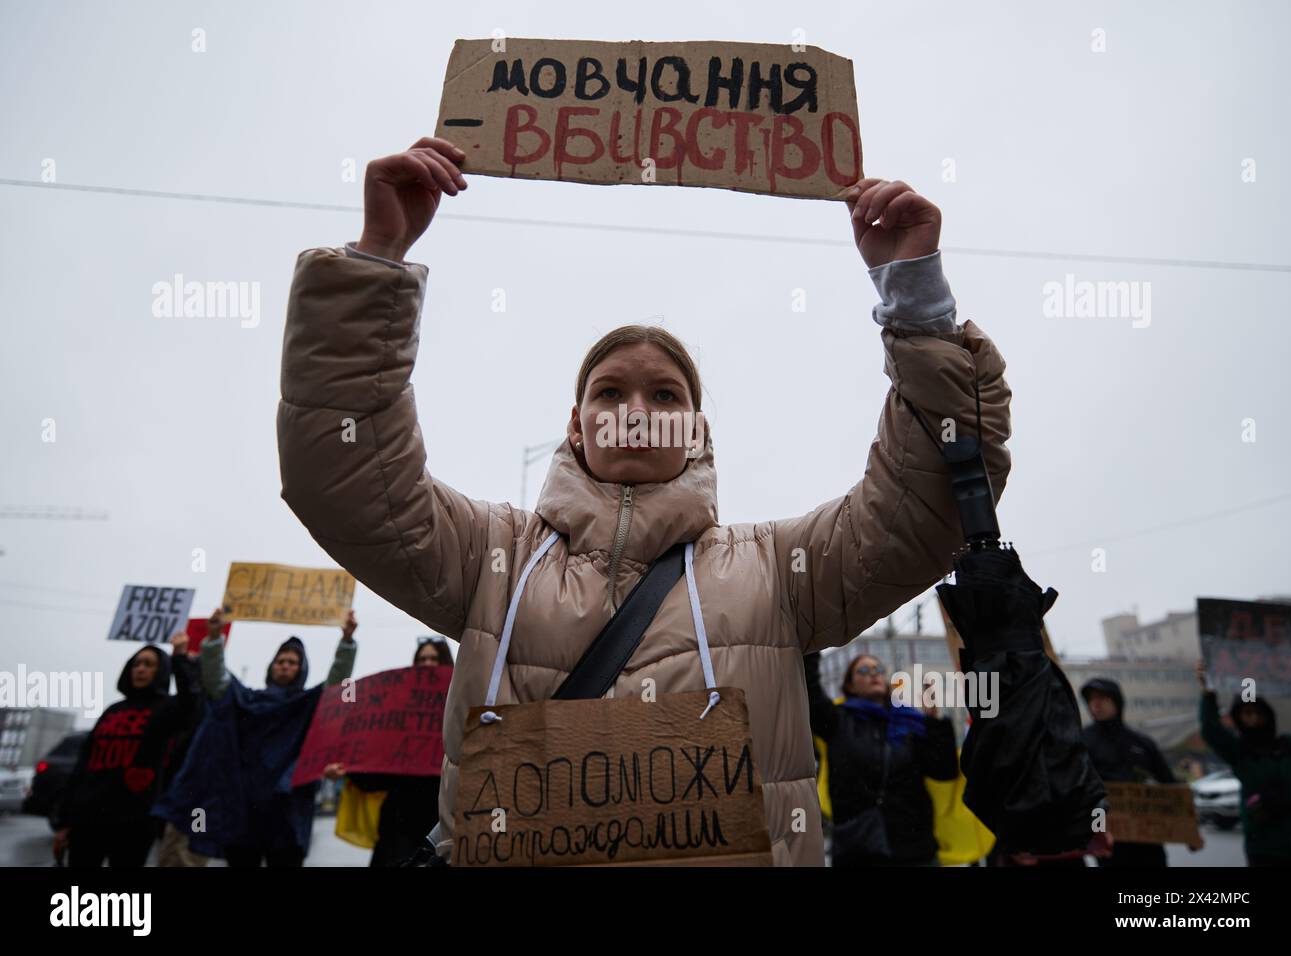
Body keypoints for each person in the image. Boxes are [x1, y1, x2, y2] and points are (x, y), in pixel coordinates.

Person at [276, 135, 1013, 866]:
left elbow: (927, 504)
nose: (635, 408)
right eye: (609, 392)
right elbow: (345, 480)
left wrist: (915, 301)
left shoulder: (781, 568)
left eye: (664, 394)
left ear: (695, 429)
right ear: (576, 423)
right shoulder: (489, 557)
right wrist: (377, 259)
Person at [152, 608, 358, 867]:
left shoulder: (308, 704)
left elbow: (336, 684)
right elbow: (217, 682)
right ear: (271, 667)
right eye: (280, 661)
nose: (285, 665)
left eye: (292, 662)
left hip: (287, 808)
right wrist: (214, 639)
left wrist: (347, 642)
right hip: (242, 805)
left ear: (302, 669)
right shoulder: (246, 699)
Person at [52, 633, 201, 867]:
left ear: (161, 671)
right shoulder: (112, 711)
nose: (140, 669)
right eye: (136, 664)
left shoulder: (166, 709)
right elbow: (83, 766)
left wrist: (180, 658)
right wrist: (63, 822)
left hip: (134, 819)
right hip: (88, 817)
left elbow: (191, 704)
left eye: (149, 664)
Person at [804, 652, 956, 865]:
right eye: (864, 670)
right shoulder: (838, 721)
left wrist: (933, 721)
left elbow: (944, 771)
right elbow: (810, 691)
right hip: (859, 848)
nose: (873, 674)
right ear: (850, 685)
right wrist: (812, 644)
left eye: (879, 669)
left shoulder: (909, 722)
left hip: (914, 848)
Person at [324, 636, 452, 866]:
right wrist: (348, 767)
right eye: (422, 659)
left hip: (442, 824)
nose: (428, 664)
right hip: (397, 827)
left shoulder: (461, 705)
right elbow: (378, 772)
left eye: (435, 658)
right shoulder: (397, 712)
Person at [1197, 660, 1291, 866]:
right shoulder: (1240, 752)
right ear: (1238, 718)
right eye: (1247, 714)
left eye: (1258, 714)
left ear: (1268, 716)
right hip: (1263, 849)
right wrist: (1208, 691)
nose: (1253, 720)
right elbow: (1211, 730)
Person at [1079, 677, 1182, 866]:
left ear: (1117, 701)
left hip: (1147, 837)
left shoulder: (1142, 742)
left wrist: (1188, 831)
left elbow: (1170, 786)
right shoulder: (1081, 742)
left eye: (1102, 697)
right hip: (1107, 838)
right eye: (1091, 699)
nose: (1096, 703)